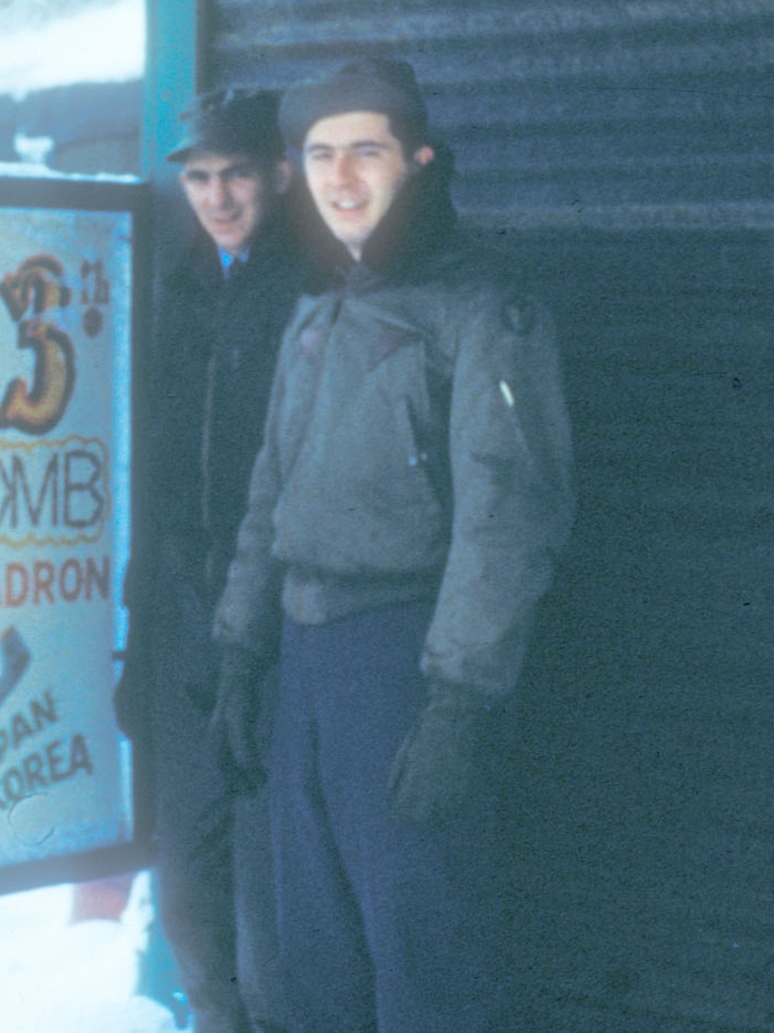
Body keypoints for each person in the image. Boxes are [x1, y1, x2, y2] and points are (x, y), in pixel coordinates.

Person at [210, 58, 574, 1032]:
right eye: (319, 154)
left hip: (403, 661)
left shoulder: (480, 309)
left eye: (364, 150)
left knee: (426, 953)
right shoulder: (314, 311)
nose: (340, 177)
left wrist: (457, 702)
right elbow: (267, 496)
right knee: (315, 953)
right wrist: (241, 653)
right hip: (303, 659)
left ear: (416, 159)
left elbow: (510, 518)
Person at [119, 89, 300, 1032]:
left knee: (272, 880)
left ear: (276, 174)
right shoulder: (180, 285)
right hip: (182, 612)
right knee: (185, 866)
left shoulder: (311, 284)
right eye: (198, 178)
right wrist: (138, 633)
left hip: (275, 618)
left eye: (235, 174)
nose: (217, 196)